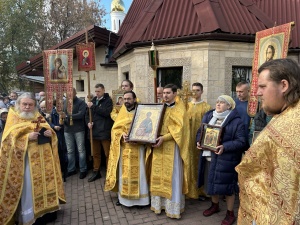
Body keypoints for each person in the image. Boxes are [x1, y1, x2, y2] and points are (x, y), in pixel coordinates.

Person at [236, 58, 300, 225]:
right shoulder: (287, 115)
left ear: (284, 86)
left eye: (263, 87)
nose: (257, 93)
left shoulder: (291, 123)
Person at [0, 92, 65, 225]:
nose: (27, 107)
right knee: (29, 188)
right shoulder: (13, 118)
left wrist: (50, 134)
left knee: (46, 185)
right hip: (26, 163)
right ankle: (30, 215)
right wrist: (26, 138)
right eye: (24, 104)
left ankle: (47, 213)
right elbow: (7, 141)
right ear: (18, 104)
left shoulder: (37, 116)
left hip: (44, 161)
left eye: (30, 105)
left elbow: (49, 131)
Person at [196, 95, 246, 225]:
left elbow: (241, 142)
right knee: (211, 182)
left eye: (222, 103)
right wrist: (199, 141)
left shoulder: (236, 121)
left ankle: (230, 213)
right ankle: (215, 205)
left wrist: (225, 146)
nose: (218, 104)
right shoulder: (209, 116)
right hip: (209, 156)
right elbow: (200, 131)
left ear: (229, 106)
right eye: (217, 102)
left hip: (226, 160)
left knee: (228, 187)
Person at [148, 84, 190, 219]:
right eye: (163, 93)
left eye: (168, 93)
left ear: (174, 94)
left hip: (172, 146)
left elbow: (179, 130)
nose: (164, 95)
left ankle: (173, 208)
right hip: (157, 145)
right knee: (158, 174)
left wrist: (164, 138)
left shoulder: (180, 109)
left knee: (172, 176)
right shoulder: (159, 107)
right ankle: (159, 205)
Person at [105, 91, 150, 207]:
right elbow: (115, 130)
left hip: (138, 148)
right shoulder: (122, 113)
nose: (126, 101)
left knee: (140, 173)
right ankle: (124, 199)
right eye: (124, 99)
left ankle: (142, 200)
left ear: (134, 99)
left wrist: (141, 136)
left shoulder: (142, 112)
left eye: (129, 99)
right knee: (124, 174)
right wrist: (121, 135)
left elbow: (149, 128)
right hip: (125, 149)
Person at [186, 82, 211, 200]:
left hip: (200, 140)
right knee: (188, 163)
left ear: (202, 92)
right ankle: (189, 190)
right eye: (193, 90)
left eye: (197, 90)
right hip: (187, 139)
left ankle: (201, 190)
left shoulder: (207, 107)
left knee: (200, 164)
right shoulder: (186, 106)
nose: (195, 92)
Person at [86, 83, 114, 182]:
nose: (97, 93)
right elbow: (87, 114)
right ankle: (96, 171)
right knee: (95, 153)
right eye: (96, 91)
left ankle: (109, 171)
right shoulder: (92, 101)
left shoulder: (108, 101)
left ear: (103, 90)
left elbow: (106, 113)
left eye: (99, 91)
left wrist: (94, 107)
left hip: (104, 131)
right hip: (94, 131)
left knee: (107, 153)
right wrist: (88, 122)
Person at [63, 88, 87, 179]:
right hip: (67, 130)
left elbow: (81, 115)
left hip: (79, 129)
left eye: (71, 93)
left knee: (81, 150)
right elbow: (62, 114)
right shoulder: (64, 102)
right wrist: (62, 118)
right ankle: (71, 169)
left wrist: (67, 116)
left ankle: (83, 169)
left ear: (75, 93)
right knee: (70, 151)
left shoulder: (81, 102)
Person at [235, 81, 251, 149]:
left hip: (249, 136)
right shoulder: (233, 104)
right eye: (237, 91)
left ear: (248, 91)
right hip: (236, 137)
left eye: (241, 91)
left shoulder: (255, 105)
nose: (238, 94)